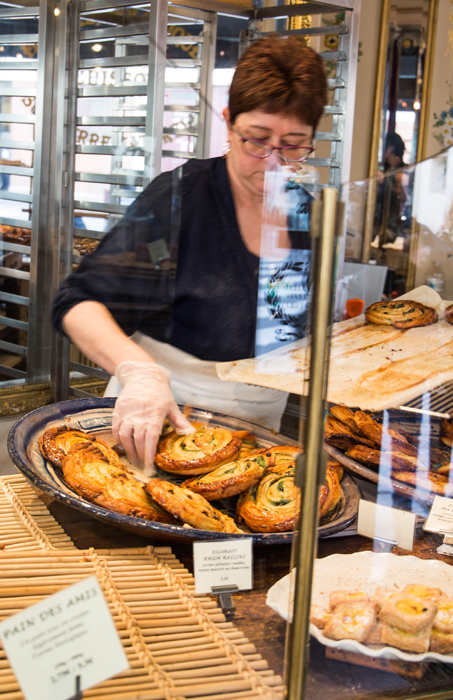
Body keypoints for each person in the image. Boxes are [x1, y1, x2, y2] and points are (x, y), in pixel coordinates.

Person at [52, 36, 327, 465]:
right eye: (257, 140)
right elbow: (77, 303)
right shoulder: (181, 199)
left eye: (293, 144)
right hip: (162, 425)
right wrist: (139, 372)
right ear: (229, 123)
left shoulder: (305, 214)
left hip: (259, 438)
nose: (273, 162)